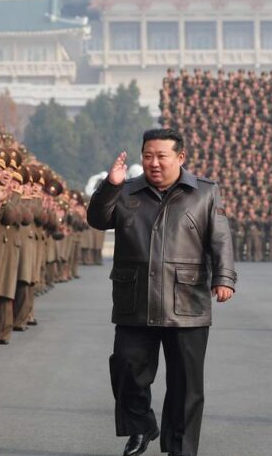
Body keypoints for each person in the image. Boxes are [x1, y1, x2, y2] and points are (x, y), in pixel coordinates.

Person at [87, 128, 236, 456]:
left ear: (180, 158)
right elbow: (97, 219)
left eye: (161, 156)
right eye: (148, 156)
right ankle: (141, 426)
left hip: (187, 301)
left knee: (185, 387)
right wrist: (110, 185)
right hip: (135, 299)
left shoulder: (204, 193)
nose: (153, 163)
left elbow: (220, 239)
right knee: (126, 368)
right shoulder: (125, 192)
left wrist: (224, 278)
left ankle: (180, 449)